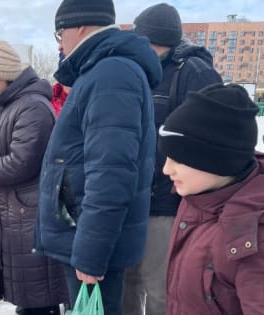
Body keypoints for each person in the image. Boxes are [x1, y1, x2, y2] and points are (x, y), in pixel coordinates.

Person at [34, 0, 163, 313]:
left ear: (78, 27)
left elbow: (111, 173)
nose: (60, 44)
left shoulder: (111, 74)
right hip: (84, 233)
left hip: (91, 242)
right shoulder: (104, 69)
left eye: (59, 34)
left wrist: (91, 254)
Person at [123, 3, 223, 315]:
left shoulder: (194, 72)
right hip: (132, 199)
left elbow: (212, 137)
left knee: (160, 288)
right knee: (128, 279)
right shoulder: (138, 69)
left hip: (167, 203)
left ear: (151, 39)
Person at [0, 40, 68, 315]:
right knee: (30, 296)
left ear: (2, 74)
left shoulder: (31, 107)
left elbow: (21, 162)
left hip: (31, 211)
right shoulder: (15, 104)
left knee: (39, 295)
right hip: (22, 209)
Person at [157, 83, 264, 314]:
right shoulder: (197, 198)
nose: (166, 169)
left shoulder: (252, 233)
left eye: (178, 159)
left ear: (216, 160)